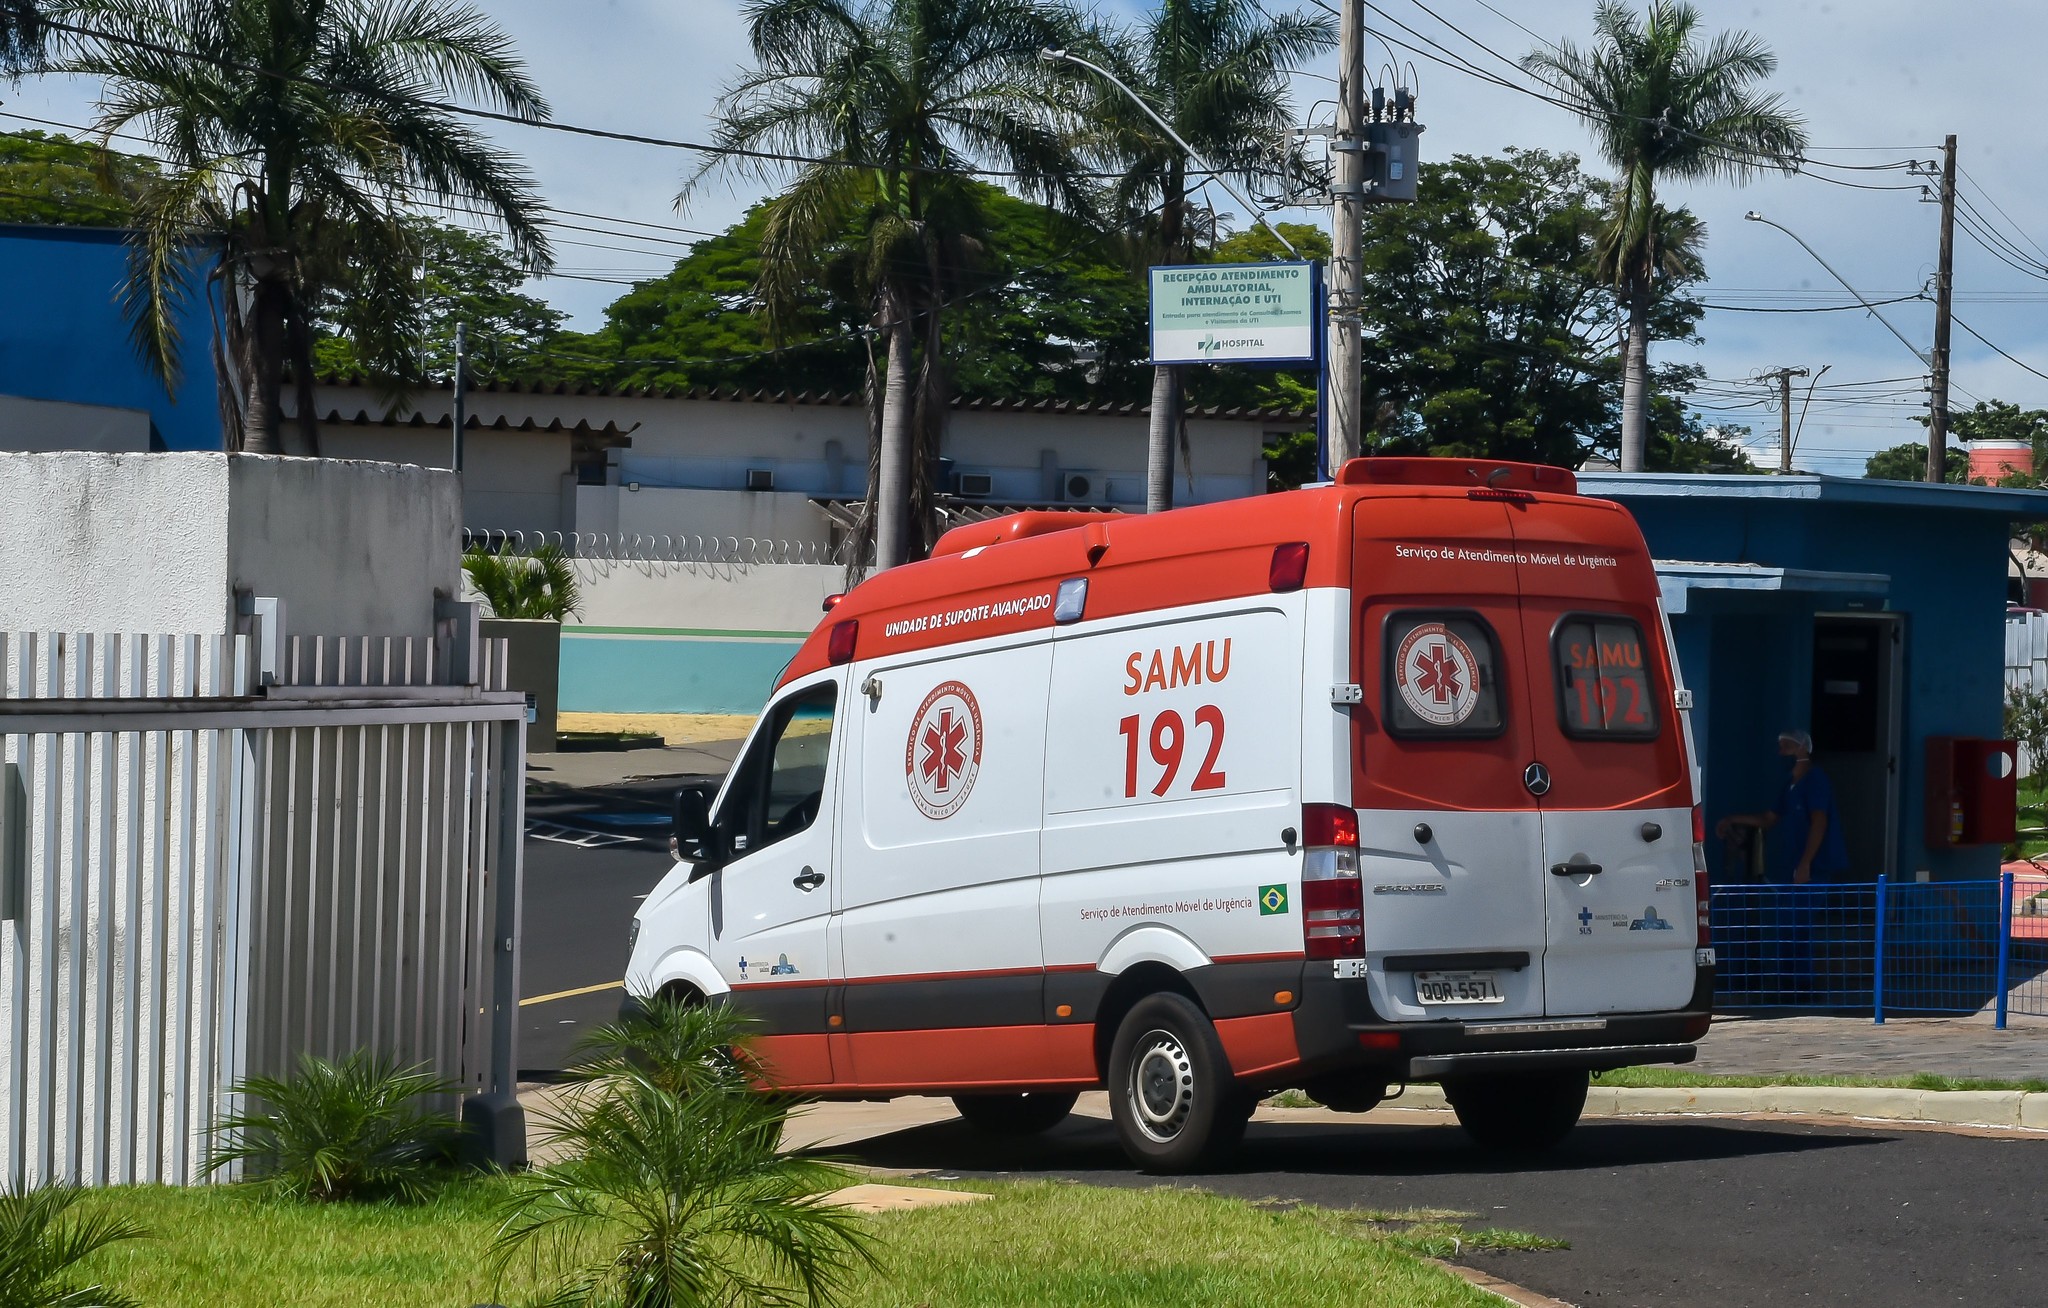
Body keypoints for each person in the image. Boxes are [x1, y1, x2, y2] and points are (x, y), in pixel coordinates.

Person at [1715, 729, 1851, 884]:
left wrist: (1805, 863)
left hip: (1814, 866)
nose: (1781, 752)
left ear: (1802, 749)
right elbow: (1769, 818)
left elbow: (1819, 822)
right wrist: (1730, 819)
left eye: (1787, 747)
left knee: (1803, 906)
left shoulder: (1815, 780)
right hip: (1792, 863)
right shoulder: (1789, 786)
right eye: (1780, 747)